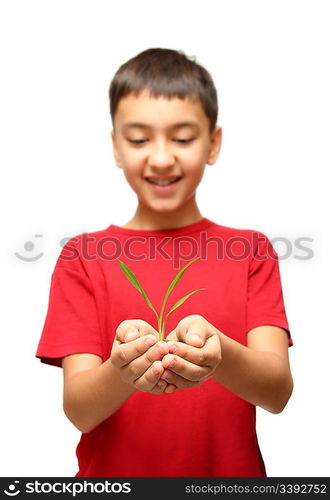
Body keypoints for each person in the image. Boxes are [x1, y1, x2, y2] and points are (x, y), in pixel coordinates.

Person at [35, 47, 294, 477]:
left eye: (182, 138)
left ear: (213, 144)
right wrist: (121, 369)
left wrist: (220, 355)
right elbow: (80, 411)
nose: (160, 158)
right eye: (138, 139)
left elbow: (277, 392)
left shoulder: (251, 250)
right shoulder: (82, 257)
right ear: (116, 147)